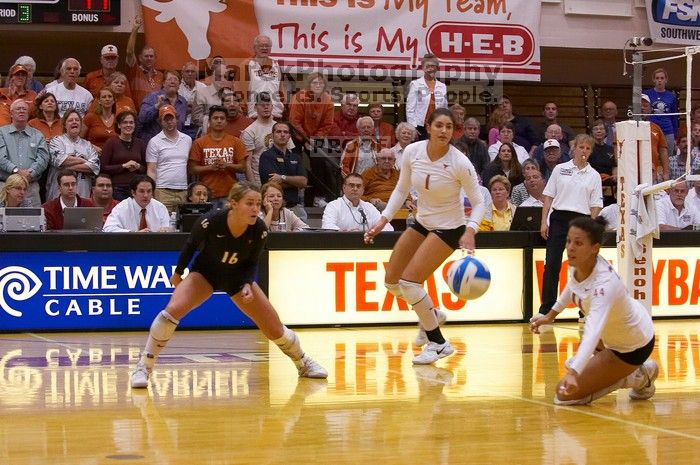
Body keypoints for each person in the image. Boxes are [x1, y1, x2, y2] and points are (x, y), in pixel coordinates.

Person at [129, 182, 328, 388]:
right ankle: (144, 366)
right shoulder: (211, 221)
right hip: (206, 273)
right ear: (233, 204)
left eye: (258, 204)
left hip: (237, 277)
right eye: (249, 203)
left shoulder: (259, 229)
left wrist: (247, 283)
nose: (255, 209)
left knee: (274, 328)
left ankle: (303, 363)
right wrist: (178, 273)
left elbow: (252, 262)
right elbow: (190, 246)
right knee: (172, 310)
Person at [364, 108, 484, 364]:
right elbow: (401, 188)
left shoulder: (460, 162)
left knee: (410, 283)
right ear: (428, 127)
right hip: (422, 221)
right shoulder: (412, 152)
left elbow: (479, 202)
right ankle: (432, 313)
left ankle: (438, 343)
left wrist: (471, 229)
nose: (444, 131)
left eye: (449, 127)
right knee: (392, 282)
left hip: (450, 228)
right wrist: (382, 219)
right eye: (439, 125)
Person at [530, 216, 658, 405]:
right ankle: (607, 370)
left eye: (578, 243)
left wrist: (574, 373)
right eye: (569, 241)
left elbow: (592, 332)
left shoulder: (605, 285)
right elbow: (571, 287)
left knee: (563, 395)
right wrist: (550, 315)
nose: (570, 248)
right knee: (573, 371)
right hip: (610, 338)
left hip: (632, 346)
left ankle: (639, 375)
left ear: (595, 248)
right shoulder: (579, 263)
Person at [537, 133, 603, 317]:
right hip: (558, 219)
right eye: (581, 147)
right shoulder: (560, 169)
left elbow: (596, 204)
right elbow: (548, 197)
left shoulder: (594, 175)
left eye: (588, 148)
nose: (584, 151)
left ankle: (584, 310)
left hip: (581, 221)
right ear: (574, 148)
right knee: (551, 264)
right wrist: (544, 221)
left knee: (581, 267)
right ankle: (546, 309)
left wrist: (590, 226)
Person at [188, 105, 248, 208]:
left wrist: (227, 165)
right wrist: (211, 167)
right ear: (210, 122)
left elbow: (243, 168)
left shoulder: (236, 141)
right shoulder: (199, 142)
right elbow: (192, 169)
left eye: (222, 118)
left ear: (226, 122)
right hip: (206, 194)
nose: (219, 121)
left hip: (230, 194)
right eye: (215, 118)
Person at [0, 98, 49, 207]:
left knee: (33, 221)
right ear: (11, 113)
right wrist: (17, 171)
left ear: (28, 114)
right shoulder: (1, 133)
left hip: (30, 187)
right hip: (5, 186)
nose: (21, 111)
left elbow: (43, 158)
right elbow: (0, 158)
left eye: (24, 109)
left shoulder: (38, 135)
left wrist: (30, 173)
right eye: (18, 109)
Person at [46, 109, 101, 201]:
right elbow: (60, 160)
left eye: (77, 120)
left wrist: (67, 166)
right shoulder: (56, 142)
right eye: (70, 120)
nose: (74, 122)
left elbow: (95, 166)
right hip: (58, 192)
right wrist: (84, 161)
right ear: (64, 124)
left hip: (83, 193)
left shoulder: (88, 145)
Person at [146, 105, 192, 212]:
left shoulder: (187, 140)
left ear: (176, 118)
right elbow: (151, 170)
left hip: (183, 190)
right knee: (163, 225)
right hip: (162, 190)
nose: (169, 122)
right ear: (160, 122)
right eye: (165, 119)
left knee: (182, 224)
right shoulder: (154, 142)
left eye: (171, 118)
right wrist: (152, 191)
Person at [100, 109, 147, 201]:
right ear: (119, 125)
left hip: (136, 189)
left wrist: (138, 166)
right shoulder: (111, 143)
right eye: (125, 122)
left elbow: (145, 168)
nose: (128, 125)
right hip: (117, 189)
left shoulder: (140, 143)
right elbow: (103, 168)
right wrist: (123, 166)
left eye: (131, 122)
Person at [321, 172, 392, 232]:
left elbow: (388, 228)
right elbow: (328, 227)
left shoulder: (369, 207)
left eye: (358, 186)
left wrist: (371, 233)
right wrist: (350, 235)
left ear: (363, 190)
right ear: (344, 188)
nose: (355, 189)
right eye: (351, 185)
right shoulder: (333, 206)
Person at [103, 174, 170, 233]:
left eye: (149, 191)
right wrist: (133, 234)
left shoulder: (160, 207)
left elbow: (168, 229)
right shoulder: (122, 207)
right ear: (133, 193)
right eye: (141, 191)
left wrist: (166, 230)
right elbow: (108, 229)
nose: (146, 195)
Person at [405, 54, 447, 140]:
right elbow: (410, 108)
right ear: (423, 68)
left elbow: (444, 108)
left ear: (437, 68)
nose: (430, 68)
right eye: (427, 66)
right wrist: (413, 127)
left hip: (437, 125)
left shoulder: (442, 86)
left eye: (433, 66)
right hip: (420, 127)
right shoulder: (416, 84)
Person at [644, 68, 678, 156]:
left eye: (662, 78)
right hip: (652, 128)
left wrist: (675, 136)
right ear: (653, 80)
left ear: (666, 80)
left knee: (668, 156)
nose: (659, 80)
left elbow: (674, 116)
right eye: (657, 78)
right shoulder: (647, 94)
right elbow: (643, 111)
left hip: (668, 130)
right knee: (651, 155)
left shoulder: (671, 96)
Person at [81, 87, 117, 152]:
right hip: (94, 155)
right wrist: (92, 146)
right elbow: (79, 139)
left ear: (114, 100)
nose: (107, 99)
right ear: (99, 101)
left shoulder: (118, 118)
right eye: (104, 97)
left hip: (114, 156)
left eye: (110, 96)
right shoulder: (90, 117)